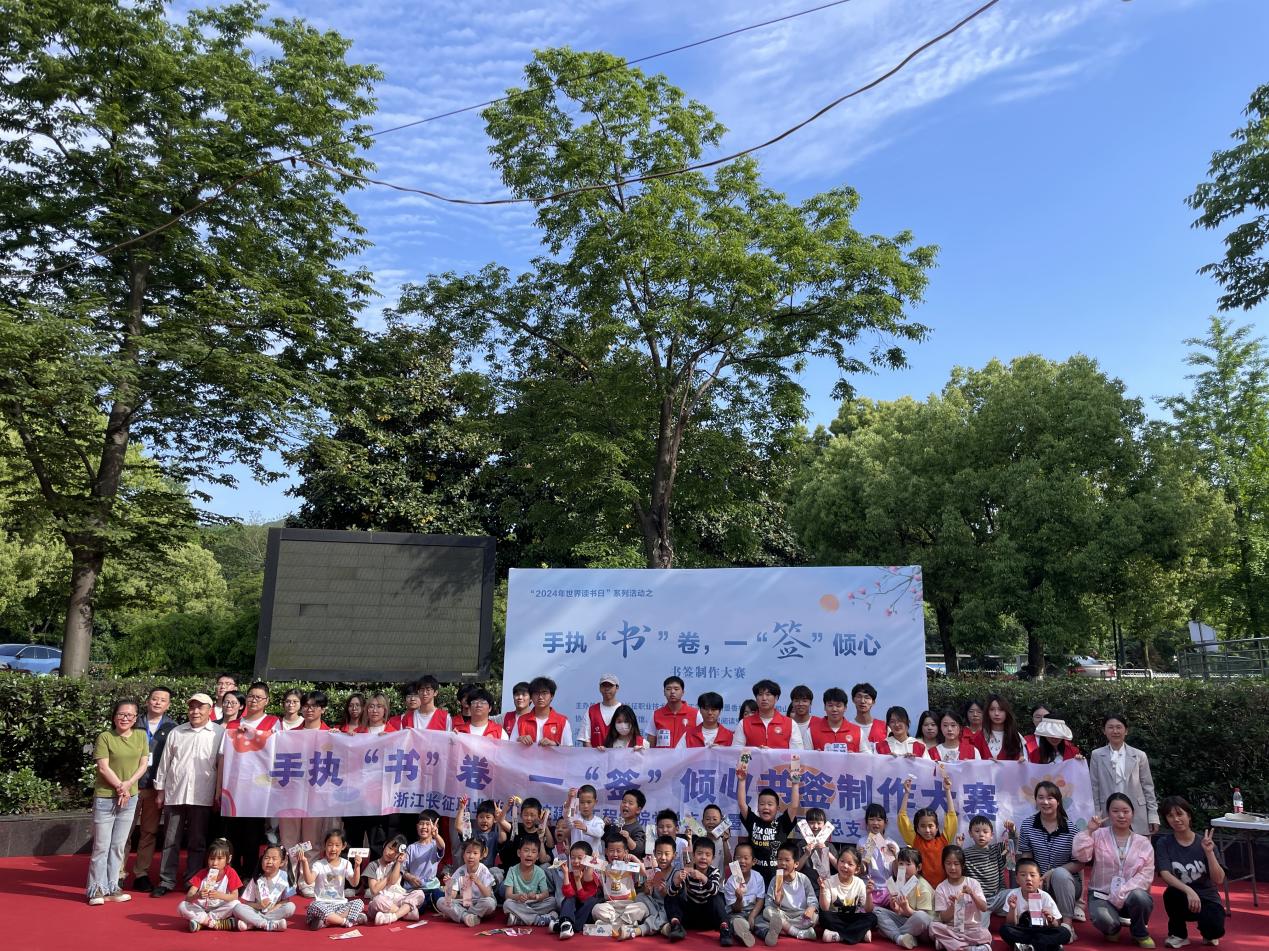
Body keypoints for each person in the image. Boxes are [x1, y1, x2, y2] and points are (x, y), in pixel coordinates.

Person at [151, 692, 224, 897]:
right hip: (175, 793)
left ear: (210, 710)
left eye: (200, 707)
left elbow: (221, 766)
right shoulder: (177, 732)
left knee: (197, 841)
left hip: (202, 794)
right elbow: (165, 762)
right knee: (170, 840)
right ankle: (166, 880)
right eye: (192, 707)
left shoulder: (219, 733)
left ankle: (193, 880)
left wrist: (218, 793)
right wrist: (160, 791)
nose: (195, 711)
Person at [1073, 794, 1156, 948]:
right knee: (1104, 919)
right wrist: (1089, 831)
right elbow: (1082, 856)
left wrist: (1121, 892)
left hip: (1131, 893)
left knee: (1141, 898)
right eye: (1115, 811)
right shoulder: (1098, 834)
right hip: (1101, 893)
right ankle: (1113, 928)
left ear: (1133, 813)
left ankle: (1139, 932)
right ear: (1108, 814)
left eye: (1125, 811)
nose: (1121, 815)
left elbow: (1146, 875)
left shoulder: (1143, 842)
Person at [86, 698, 148, 905]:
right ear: (114, 716)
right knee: (101, 846)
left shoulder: (141, 736)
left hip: (130, 797)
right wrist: (121, 787)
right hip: (106, 797)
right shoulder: (105, 737)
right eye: (121, 714)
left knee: (118, 845)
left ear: (136, 718)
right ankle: (96, 889)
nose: (125, 718)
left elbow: (143, 764)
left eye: (130, 715)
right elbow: (103, 767)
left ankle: (113, 886)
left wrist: (128, 785)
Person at [1154, 795, 1226, 948]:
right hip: (1181, 896)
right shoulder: (1164, 843)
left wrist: (1209, 853)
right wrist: (1189, 891)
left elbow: (1219, 879)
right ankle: (1178, 934)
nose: (1176, 819)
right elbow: (1165, 874)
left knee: (1214, 931)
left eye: (1180, 814)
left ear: (1189, 815)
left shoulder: (1204, 842)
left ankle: (1207, 931)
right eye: (1170, 816)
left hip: (1207, 897)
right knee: (1170, 893)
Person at [281, 690, 336, 886]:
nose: (309, 709)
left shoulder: (332, 735)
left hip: (317, 795)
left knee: (312, 840)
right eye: (306, 705)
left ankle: (307, 879)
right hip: (292, 794)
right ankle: (288, 879)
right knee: (289, 839)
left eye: (314, 706)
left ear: (323, 709)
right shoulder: (289, 735)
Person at [223, 680, 277, 878]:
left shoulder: (273, 722)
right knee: (232, 835)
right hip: (234, 789)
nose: (254, 700)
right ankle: (233, 875)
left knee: (252, 835)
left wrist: (255, 735)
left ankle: (250, 876)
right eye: (251, 696)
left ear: (267, 701)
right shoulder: (233, 724)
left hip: (258, 789)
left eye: (259, 697)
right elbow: (222, 756)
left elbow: (276, 750)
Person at [1016, 780, 1081, 942]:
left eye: (1050, 798)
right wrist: (1034, 879)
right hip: (1039, 883)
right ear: (1036, 800)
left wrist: (1053, 872)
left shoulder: (1071, 829)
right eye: (1041, 797)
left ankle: (1067, 926)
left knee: (1060, 874)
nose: (1045, 802)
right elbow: (1026, 858)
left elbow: (1079, 863)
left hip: (1067, 884)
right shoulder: (1028, 825)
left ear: (1058, 801)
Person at [128, 685, 175, 892]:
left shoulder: (173, 728)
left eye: (163, 700)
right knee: (124, 831)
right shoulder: (133, 722)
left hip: (154, 787)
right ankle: (117, 873)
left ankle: (141, 873)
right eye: (155, 699)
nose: (158, 703)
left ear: (168, 705)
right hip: (130, 785)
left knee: (149, 832)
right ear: (148, 701)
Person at [736, 753, 803, 884]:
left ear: (778, 808)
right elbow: (742, 803)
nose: (765, 807)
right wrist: (742, 780)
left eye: (770, 804)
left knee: (776, 897)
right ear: (757, 807)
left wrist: (795, 783)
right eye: (762, 804)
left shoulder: (782, 823)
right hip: (755, 876)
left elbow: (794, 806)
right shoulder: (753, 821)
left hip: (777, 875)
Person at [1089, 714, 1159, 835]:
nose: (1115, 731)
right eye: (1110, 727)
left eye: (1119, 727)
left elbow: (1148, 786)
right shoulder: (1097, 755)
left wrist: (1153, 815)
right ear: (1104, 731)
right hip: (1107, 814)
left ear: (1126, 731)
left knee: (1139, 846)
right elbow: (1094, 787)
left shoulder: (1139, 755)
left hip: (1137, 813)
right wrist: (1096, 815)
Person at [927, 845, 991, 951]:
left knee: (985, 934)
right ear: (943, 865)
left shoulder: (973, 883)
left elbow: (984, 908)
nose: (952, 868)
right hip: (951, 929)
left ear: (963, 865)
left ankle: (951, 945)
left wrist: (972, 894)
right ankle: (969, 948)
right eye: (948, 863)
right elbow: (943, 918)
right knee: (933, 927)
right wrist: (954, 906)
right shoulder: (941, 888)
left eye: (956, 864)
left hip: (971, 929)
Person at [898, 773, 957, 888]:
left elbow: (952, 816)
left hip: (943, 889)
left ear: (937, 827)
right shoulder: (915, 841)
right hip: (921, 889)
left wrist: (947, 790)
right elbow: (902, 818)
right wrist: (906, 793)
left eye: (931, 826)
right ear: (917, 828)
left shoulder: (944, 840)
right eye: (923, 826)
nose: (927, 830)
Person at [999, 857, 1070, 951]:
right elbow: (1011, 924)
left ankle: (1028, 946)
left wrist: (1051, 920)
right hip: (1023, 931)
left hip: (1042, 931)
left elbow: (1056, 924)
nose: (1028, 878)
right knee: (1005, 929)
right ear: (1017, 879)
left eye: (1032, 875)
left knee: (1065, 932)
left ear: (1040, 879)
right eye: (1023, 875)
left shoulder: (1045, 896)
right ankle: (1046, 945)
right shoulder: (1013, 895)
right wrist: (1012, 908)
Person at [300, 829, 366, 929]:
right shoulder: (319, 864)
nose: (333, 849)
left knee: (359, 903)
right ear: (325, 845)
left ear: (343, 846)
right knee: (314, 905)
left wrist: (357, 866)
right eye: (330, 845)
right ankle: (345, 921)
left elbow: (354, 883)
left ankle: (327, 921)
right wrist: (304, 862)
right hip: (322, 904)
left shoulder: (346, 863)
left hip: (340, 905)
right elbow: (309, 881)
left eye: (337, 845)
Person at [665, 836, 726, 941]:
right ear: (693, 856)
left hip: (709, 917)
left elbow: (714, 890)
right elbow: (670, 893)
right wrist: (677, 882)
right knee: (670, 897)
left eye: (707, 855)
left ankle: (725, 929)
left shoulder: (714, 871)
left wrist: (703, 877)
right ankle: (676, 925)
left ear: (713, 858)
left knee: (718, 897)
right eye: (699, 854)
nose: (703, 857)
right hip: (690, 916)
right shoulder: (688, 870)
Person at [874, 847, 934, 949]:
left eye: (908, 864)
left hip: (924, 929)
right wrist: (896, 908)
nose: (904, 867)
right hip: (907, 922)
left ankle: (893, 933)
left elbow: (924, 918)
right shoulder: (900, 882)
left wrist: (907, 909)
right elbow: (900, 912)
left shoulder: (923, 887)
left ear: (918, 867)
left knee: (921, 916)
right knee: (877, 911)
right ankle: (900, 938)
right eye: (901, 864)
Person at [178, 837, 241, 931]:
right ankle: (214, 923)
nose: (215, 863)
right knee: (182, 906)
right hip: (202, 909)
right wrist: (198, 895)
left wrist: (219, 895)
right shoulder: (202, 873)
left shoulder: (231, 873)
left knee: (236, 904)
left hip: (219, 909)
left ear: (228, 859)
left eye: (219, 859)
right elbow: (188, 897)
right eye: (212, 859)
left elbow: (235, 896)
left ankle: (202, 923)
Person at [961, 814, 1015, 925]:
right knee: (979, 929)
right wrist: (958, 847)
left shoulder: (997, 849)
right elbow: (957, 869)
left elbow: (1012, 846)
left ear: (991, 835)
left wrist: (1011, 831)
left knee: (1018, 895)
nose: (981, 834)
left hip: (998, 896)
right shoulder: (965, 853)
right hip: (978, 901)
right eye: (977, 831)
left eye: (985, 832)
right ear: (970, 833)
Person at [818, 844, 877, 944]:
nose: (845, 866)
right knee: (824, 916)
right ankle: (859, 934)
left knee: (872, 917)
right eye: (842, 861)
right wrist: (822, 889)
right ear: (837, 862)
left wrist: (869, 894)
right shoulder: (829, 881)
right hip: (835, 917)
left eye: (850, 864)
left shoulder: (859, 883)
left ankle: (838, 936)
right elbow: (825, 908)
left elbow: (868, 909)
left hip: (853, 917)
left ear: (857, 869)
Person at [593, 829, 649, 933]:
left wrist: (633, 857)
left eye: (618, 851)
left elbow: (645, 873)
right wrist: (593, 860)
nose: (615, 854)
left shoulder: (629, 866)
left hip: (628, 905)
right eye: (611, 850)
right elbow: (588, 876)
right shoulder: (603, 866)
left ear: (625, 852)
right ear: (606, 852)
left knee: (642, 907)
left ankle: (614, 925)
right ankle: (625, 924)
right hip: (610, 906)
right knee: (597, 909)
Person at [364, 834, 427, 925]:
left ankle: (393, 916)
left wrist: (398, 862)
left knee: (419, 893)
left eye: (396, 852)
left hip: (397, 899)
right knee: (377, 900)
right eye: (390, 848)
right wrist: (388, 875)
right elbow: (374, 890)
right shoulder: (373, 865)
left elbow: (393, 881)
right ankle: (406, 914)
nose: (391, 853)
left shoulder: (397, 864)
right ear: (384, 845)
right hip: (382, 901)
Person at [762, 842, 819, 942]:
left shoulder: (803, 879)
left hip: (800, 914)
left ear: (796, 864)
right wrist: (777, 902)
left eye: (787, 860)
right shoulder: (775, 880)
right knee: (767, 912)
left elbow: (813, 899)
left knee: (814, 917)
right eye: (780, 859)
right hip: (783, 913)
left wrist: (811, 908)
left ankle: (783, 929)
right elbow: (768, 904)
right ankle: (798, 933)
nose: (783, 863)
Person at [232, 843, 296, 932]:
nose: (269, 861)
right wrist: (259, 905)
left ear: (282, 862)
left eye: (274, 859)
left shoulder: (285, 877)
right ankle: (267, 924)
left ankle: (253, 924)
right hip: (257, 910)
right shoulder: (256, 878)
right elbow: (247, 903)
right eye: (266, 858)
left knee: (290, 907)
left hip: (273, 912)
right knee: (237, 908)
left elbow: (286, 900)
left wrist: (274, 907)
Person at [438, 838, 498, 927]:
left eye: (475, 853)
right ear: (463, 855)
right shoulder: (460, 871)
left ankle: (463, 914)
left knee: (490, 903)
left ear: (481, 856)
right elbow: (452, 896)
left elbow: (488, 894)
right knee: (441, 901)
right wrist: (449, 885)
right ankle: (467, 916)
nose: (471, 856)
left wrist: (478, 882)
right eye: (468, 852)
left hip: (480, 902)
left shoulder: (484, 870)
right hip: (465, 902)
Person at [503, 837, 558, 926]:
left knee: (553, 901)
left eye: (533, 852)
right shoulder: (512, 870)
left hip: (535, 903)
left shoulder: (540, 872)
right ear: (519, 853)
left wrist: (536, 896)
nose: (529, 854)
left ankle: (520, 919)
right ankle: (538, 919)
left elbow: (545, 894)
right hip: (519, 904)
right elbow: (508, 895)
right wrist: (518, 896)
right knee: (507, 904)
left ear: (537, 857)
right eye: (526, 850)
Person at [725, 842, 768, 948]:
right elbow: (735, 909)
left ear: (753, 861)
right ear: (734, 860)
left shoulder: (758, 877)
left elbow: (760, 900)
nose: (742, 861)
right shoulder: (731, 881)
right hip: (737, 912)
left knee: (761, 921)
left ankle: (767, 934)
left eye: (746, 858)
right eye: (738, 858)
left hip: (754, 911)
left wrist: (752, 916)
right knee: (734, 921)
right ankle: (743, 933)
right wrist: (739, 899)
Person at [555, 840, 601, 938]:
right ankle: (566, 923)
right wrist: (566, 874)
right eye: (572, 858)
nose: (575, 861)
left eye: (580, 858)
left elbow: (584, 898)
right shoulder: (571, 874)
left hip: (586, 912)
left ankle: (564, 926)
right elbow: (568, 894)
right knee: (569, 898)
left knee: (591, 901)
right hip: (574, 910)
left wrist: (577, 881)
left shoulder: (591, 876)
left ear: (587, 859)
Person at [634, 835, 676, 940]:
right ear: (654, 853)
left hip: (667, 906)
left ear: (674, 855)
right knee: (640, 896)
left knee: (669, 910)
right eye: (659, 853)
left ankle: (642, 929)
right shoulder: (652, 871)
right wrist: (647, 888)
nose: (663, 857)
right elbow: (648, 893)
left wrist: (665, 892)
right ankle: (660, 925)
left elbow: (675, 897)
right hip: (653, 906)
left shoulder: (676, 874)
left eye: (667, 854)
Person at [741, 680, 804, 749]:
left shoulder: (790, 724)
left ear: (776, 698)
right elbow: (737, 752)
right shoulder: (744, 723)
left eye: (768, 694)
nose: (764, 698)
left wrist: (772, 753)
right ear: (756, 698)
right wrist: (756, 752)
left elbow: (797, 753)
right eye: (760, 694)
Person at [859, 803, 900, 907]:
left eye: (879, 819)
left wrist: (895, 857)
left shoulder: (891, 844)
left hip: (889, 888)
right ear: (866, 822)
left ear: (885, 822)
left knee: (897, 907)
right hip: (869, 887)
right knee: (866, 910)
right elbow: (863, 872)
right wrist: (860, 858)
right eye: (871, 819)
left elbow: (897, 875)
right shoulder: (863, 842)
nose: (875, 823)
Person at [403, 810, 447, 908]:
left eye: (428, 824)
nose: (424, 827)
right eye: (421, 824)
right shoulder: (411, 848)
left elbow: (442, 846)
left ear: (435, 827)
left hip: (432, 887)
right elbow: (402, 869)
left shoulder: (435, 845)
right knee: (418, 905)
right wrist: (410, 877)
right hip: (415, 889)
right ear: (417, 826)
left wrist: (436, 836)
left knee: (441, 899)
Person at [516, 676, 574, 747]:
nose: (540, 697)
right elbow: (511, 747)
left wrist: (555, 745)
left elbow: (569, 750)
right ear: (531, 697)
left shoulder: (562, 721)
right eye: (536, 693)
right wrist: (519, 740)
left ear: (552, 696)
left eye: (544, 693)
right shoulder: (521, 720)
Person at [796, 807, 839, 890]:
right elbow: (795, 868)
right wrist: (806, 854)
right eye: (812, 823)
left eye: (819, 823)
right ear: (806, 825)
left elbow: (839, 867)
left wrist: (827, 852)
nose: (815, 826)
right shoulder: (801, 844)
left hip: (826, 887)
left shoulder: (829, 846)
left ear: (824, 825)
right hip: (805, 887)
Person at [652, 675, 700, 748]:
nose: (672, 692)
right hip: (663, 755)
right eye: (668, 689)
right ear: (664, 692)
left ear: (683, 692)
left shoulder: (695, 714)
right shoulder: (656, 714)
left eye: (676, 689)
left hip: (687, 755)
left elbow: (702, 739)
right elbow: (651, 740)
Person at [810, 687, 862, 752]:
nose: (834, 709)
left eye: (838, 706)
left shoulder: (858, 732)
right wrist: (814, 756)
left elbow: (868, 756)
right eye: (830, 705)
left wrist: (855, 756)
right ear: (824, 707)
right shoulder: (811, 731)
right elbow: (804, 756)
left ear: (845, 708)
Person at [980, 695, 1025, 762]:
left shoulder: (1016, 736)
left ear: (1006, 712)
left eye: (1001, 709)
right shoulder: (979, 736)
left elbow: (1024, 759)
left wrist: (1022, 760)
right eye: (992, 709)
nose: (996, 713)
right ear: (987, 712)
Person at [583, 673, 622, 747]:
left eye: (610, 685)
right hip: (595, 755)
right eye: (604, 685)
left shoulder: (625, 711)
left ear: (617, 688)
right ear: (600, 688)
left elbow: (631, 737)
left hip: (619, 754)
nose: (607, 689)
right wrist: (594, 754)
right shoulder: (591, 711)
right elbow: (586, 740)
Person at [566, 784, 606, 856]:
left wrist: (586, 828)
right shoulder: (574, 817)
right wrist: (570, 799)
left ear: (595, 802)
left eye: (589, 802)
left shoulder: (599, 821)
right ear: (577, 802)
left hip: (592, 860)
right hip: (575, 860)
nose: (585, 806)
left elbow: (599, 833)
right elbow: (568, 817)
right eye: (582, 802)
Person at [850, 683, 888, 750]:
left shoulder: (885, 727)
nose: (862, 701)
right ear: (853, 700)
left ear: (873, 702)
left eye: (867, 697)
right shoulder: (848, 727)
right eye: (859, 697)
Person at [787, 685, 815, 750]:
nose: (800, 704)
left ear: (810, 703)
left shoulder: (818, 723)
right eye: (797, 701)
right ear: (792, 703)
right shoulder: (786, 724)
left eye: (804, 701)